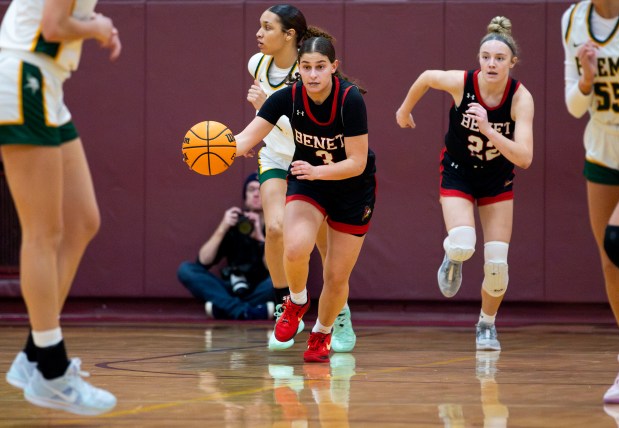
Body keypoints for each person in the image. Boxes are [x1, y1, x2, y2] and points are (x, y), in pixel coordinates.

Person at [1, 0, 121, 416]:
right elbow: (52, 27)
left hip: (45, 82)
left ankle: (34, 353)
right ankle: (50, 367)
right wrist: (98, 26)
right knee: (43, 233)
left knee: (82, 221)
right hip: (22, 75)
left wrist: (92, 24)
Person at [396, 16, 534, 351]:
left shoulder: (520, 98)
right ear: (479, 59)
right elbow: (428, 77)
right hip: (458, 170)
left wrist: (488, 129)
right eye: (486, 57)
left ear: (512, 63)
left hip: (496, 179)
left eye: (500, 59)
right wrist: (404, 110)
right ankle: (453, 258)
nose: (491, 63)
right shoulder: (462, 83)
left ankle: (486, 325)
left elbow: (525, 158)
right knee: (462, 243)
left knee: (497, 264)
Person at [236, 35, 375, 363]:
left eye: (320, 67)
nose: (313, 74)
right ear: (298, 69)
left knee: (336, 275)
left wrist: (317, 172)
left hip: (352, 188)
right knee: (295, 246)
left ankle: (322, 333)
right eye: (307, 67)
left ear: (333, 68)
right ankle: (296, 301)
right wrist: (218, 148)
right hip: (309, 183)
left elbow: (356, 162)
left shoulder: (350, 100)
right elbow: (248, 136)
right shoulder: (287, 97)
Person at [561, 0, 619, 404]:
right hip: (601, 149)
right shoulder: (573, 20)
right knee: (610, 261)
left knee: (617, 239)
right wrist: (585, 79)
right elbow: (573, 106)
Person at [177, 172, 276, 320]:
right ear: (245, 196)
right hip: (232, 287)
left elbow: (274, 270)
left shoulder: (276, 226)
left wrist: (261, 239)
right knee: (186, 270)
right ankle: (250, 311)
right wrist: (223, 227)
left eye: (261, 190)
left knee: (280, 281)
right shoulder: (234, 225)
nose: (256, 194)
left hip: (261, 288)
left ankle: (226, 309)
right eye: (251, 190)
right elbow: (203, 261)